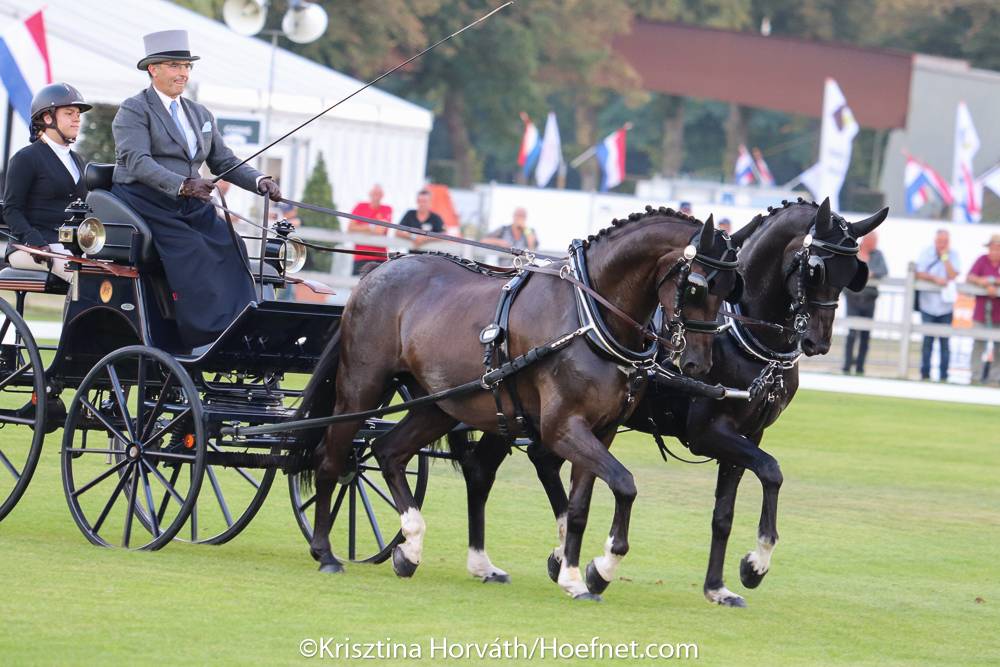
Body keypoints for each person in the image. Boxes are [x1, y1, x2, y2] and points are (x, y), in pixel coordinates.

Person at [110, 30, 281, 349]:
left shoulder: (199, 114)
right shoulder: (134, 110)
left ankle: (244, 320)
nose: (183, 73)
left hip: (190, 200)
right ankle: (205, 332)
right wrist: (183, 185)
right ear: (153, 69)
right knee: (194, 249)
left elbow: (223, 160)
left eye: (187, 66)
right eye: (175, 66)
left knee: (232, 243)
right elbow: (137, 161)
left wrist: (259, 181)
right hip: (146, 199)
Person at [2, 83, 92, 283]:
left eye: (78, 114)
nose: (77, 118)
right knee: (83, 278)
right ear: (47, 118)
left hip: (70, 247)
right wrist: (34, 241)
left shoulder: (78, 160)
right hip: (29, 246)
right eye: (69, 113)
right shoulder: (25, 158)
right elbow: (11, 209)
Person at [915, 229, 960, 381]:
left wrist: (945, 257)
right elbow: (918, 272)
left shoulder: (953, 254)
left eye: (945, 242)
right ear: (935, 241)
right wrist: (934, 278)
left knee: (945, 344)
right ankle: (925, 374)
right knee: (927, 342)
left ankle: (944, 376)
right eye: (940, 241)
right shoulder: (926, 253)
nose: (942, 244)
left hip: (945, 307)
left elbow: (953, 275)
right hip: (927, 305)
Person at [842, 231, 888, 375]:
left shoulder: (878, 254)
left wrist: (870, 272)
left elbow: (883, 271)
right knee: (851, 333)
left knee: (865, 334)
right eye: (874, 241)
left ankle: (860, 366)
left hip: (869, 299)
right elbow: (846, 268)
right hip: (853, 298)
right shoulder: (853, 251)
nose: (875, 244)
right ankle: (847, 365)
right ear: (866, 241)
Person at [966, 234, 1000, 386]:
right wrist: (983, 282)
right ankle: (975, 377)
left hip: (999, 314)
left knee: (999, 348)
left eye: (998, 248)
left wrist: (994, 283)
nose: (995, 251)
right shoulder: (982, 260)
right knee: (978, 345)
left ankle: (995, 379)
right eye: (993, 248)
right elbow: (970, 277)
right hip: (981, 312)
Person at [349, 184, 391, 275]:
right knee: (356, 282)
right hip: (361, 256)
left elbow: (380, 231)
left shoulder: (386, 209)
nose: (376, 195)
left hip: (379, 257)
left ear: (382, 195)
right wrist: (371, 227)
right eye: (374, 193)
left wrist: (361, 227)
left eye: (378, 193)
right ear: (370, 194)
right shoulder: (360, 206)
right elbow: (351, 228)